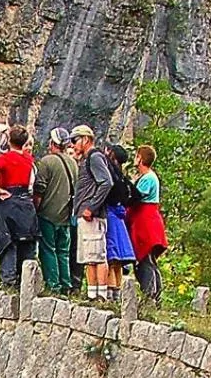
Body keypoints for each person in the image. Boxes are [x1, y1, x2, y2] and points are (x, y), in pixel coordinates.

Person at [0, 124, 40, 288]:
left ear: (9, 140)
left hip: (9, 201)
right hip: (26, 203)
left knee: (8, 241)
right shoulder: (29, 159)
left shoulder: (5, 158)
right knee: (26, 242)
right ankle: (26, 282)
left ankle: (8, 280)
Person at [70, 125, 113, 300]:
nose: (72, 145)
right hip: (86, 215)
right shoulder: (88, 159)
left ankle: (101, 295)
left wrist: (91, 207)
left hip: (92, 216)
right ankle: (92, 294)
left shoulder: (94, 157)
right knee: (89, 257)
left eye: (75, 140)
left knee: (97, 255)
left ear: (85, 139)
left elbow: (106, 182)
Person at [33, 127, 77, 293]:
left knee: (48, 249)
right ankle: (66, 284)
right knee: (63, 251)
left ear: (52, 143)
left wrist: (36, 209)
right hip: (66, 215)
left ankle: (53, 285)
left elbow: (39, 189)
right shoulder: (73, 163)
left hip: (48, 213)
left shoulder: (47, 162)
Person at [127, 144, 168, 303]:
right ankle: (155, 295)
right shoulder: (149, 177)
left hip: (146, 223)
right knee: (149, 260)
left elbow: (137, 198)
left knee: (145, 259)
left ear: (141, 158)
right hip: (148, 221)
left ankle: (150, 294)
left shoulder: (148, 179)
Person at [103, 144, 137, 296]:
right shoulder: (124, 179)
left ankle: (110, 289)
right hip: (120, 218)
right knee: (118, 260)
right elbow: (137, 196)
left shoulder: (112, 177)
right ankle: (117, 289)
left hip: (110, 217)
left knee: (111, 256)